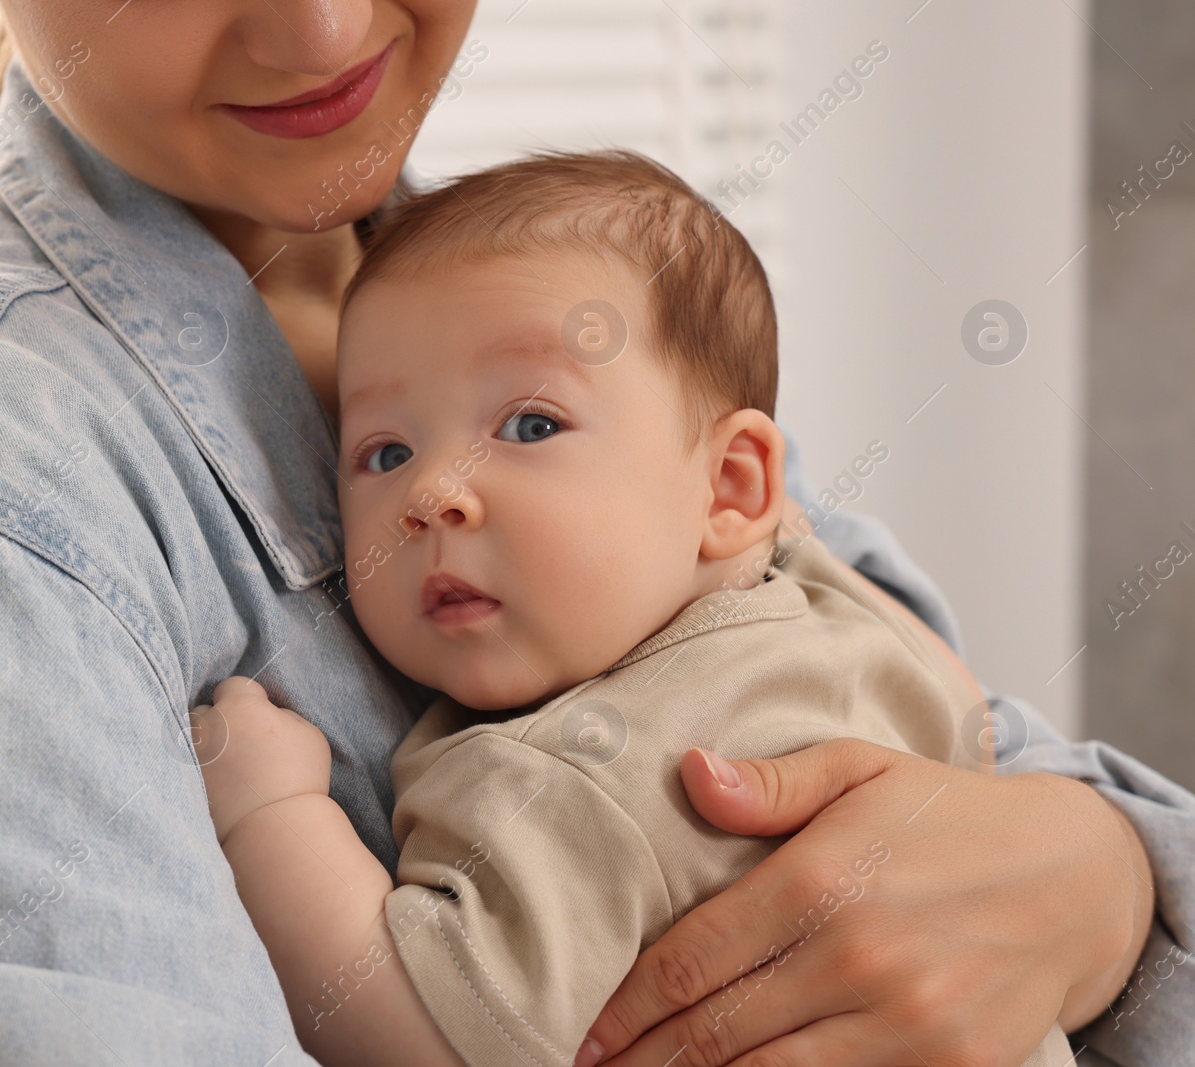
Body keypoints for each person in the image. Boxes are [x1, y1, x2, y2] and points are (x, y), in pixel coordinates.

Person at [0, 3, 1191, 1065]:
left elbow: (940, 715)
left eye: (528, 432)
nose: (329, 30)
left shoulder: (531, 287)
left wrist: (1105, 875)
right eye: (381, 457)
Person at [188, 150, 1072, 1067]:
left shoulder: (568, 777)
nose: (433, 494)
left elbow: (421, 1036)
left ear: (731, 484)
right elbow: (971, 717)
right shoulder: (834, 604)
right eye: (384, 452)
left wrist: (269, 814)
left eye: (530, 425)